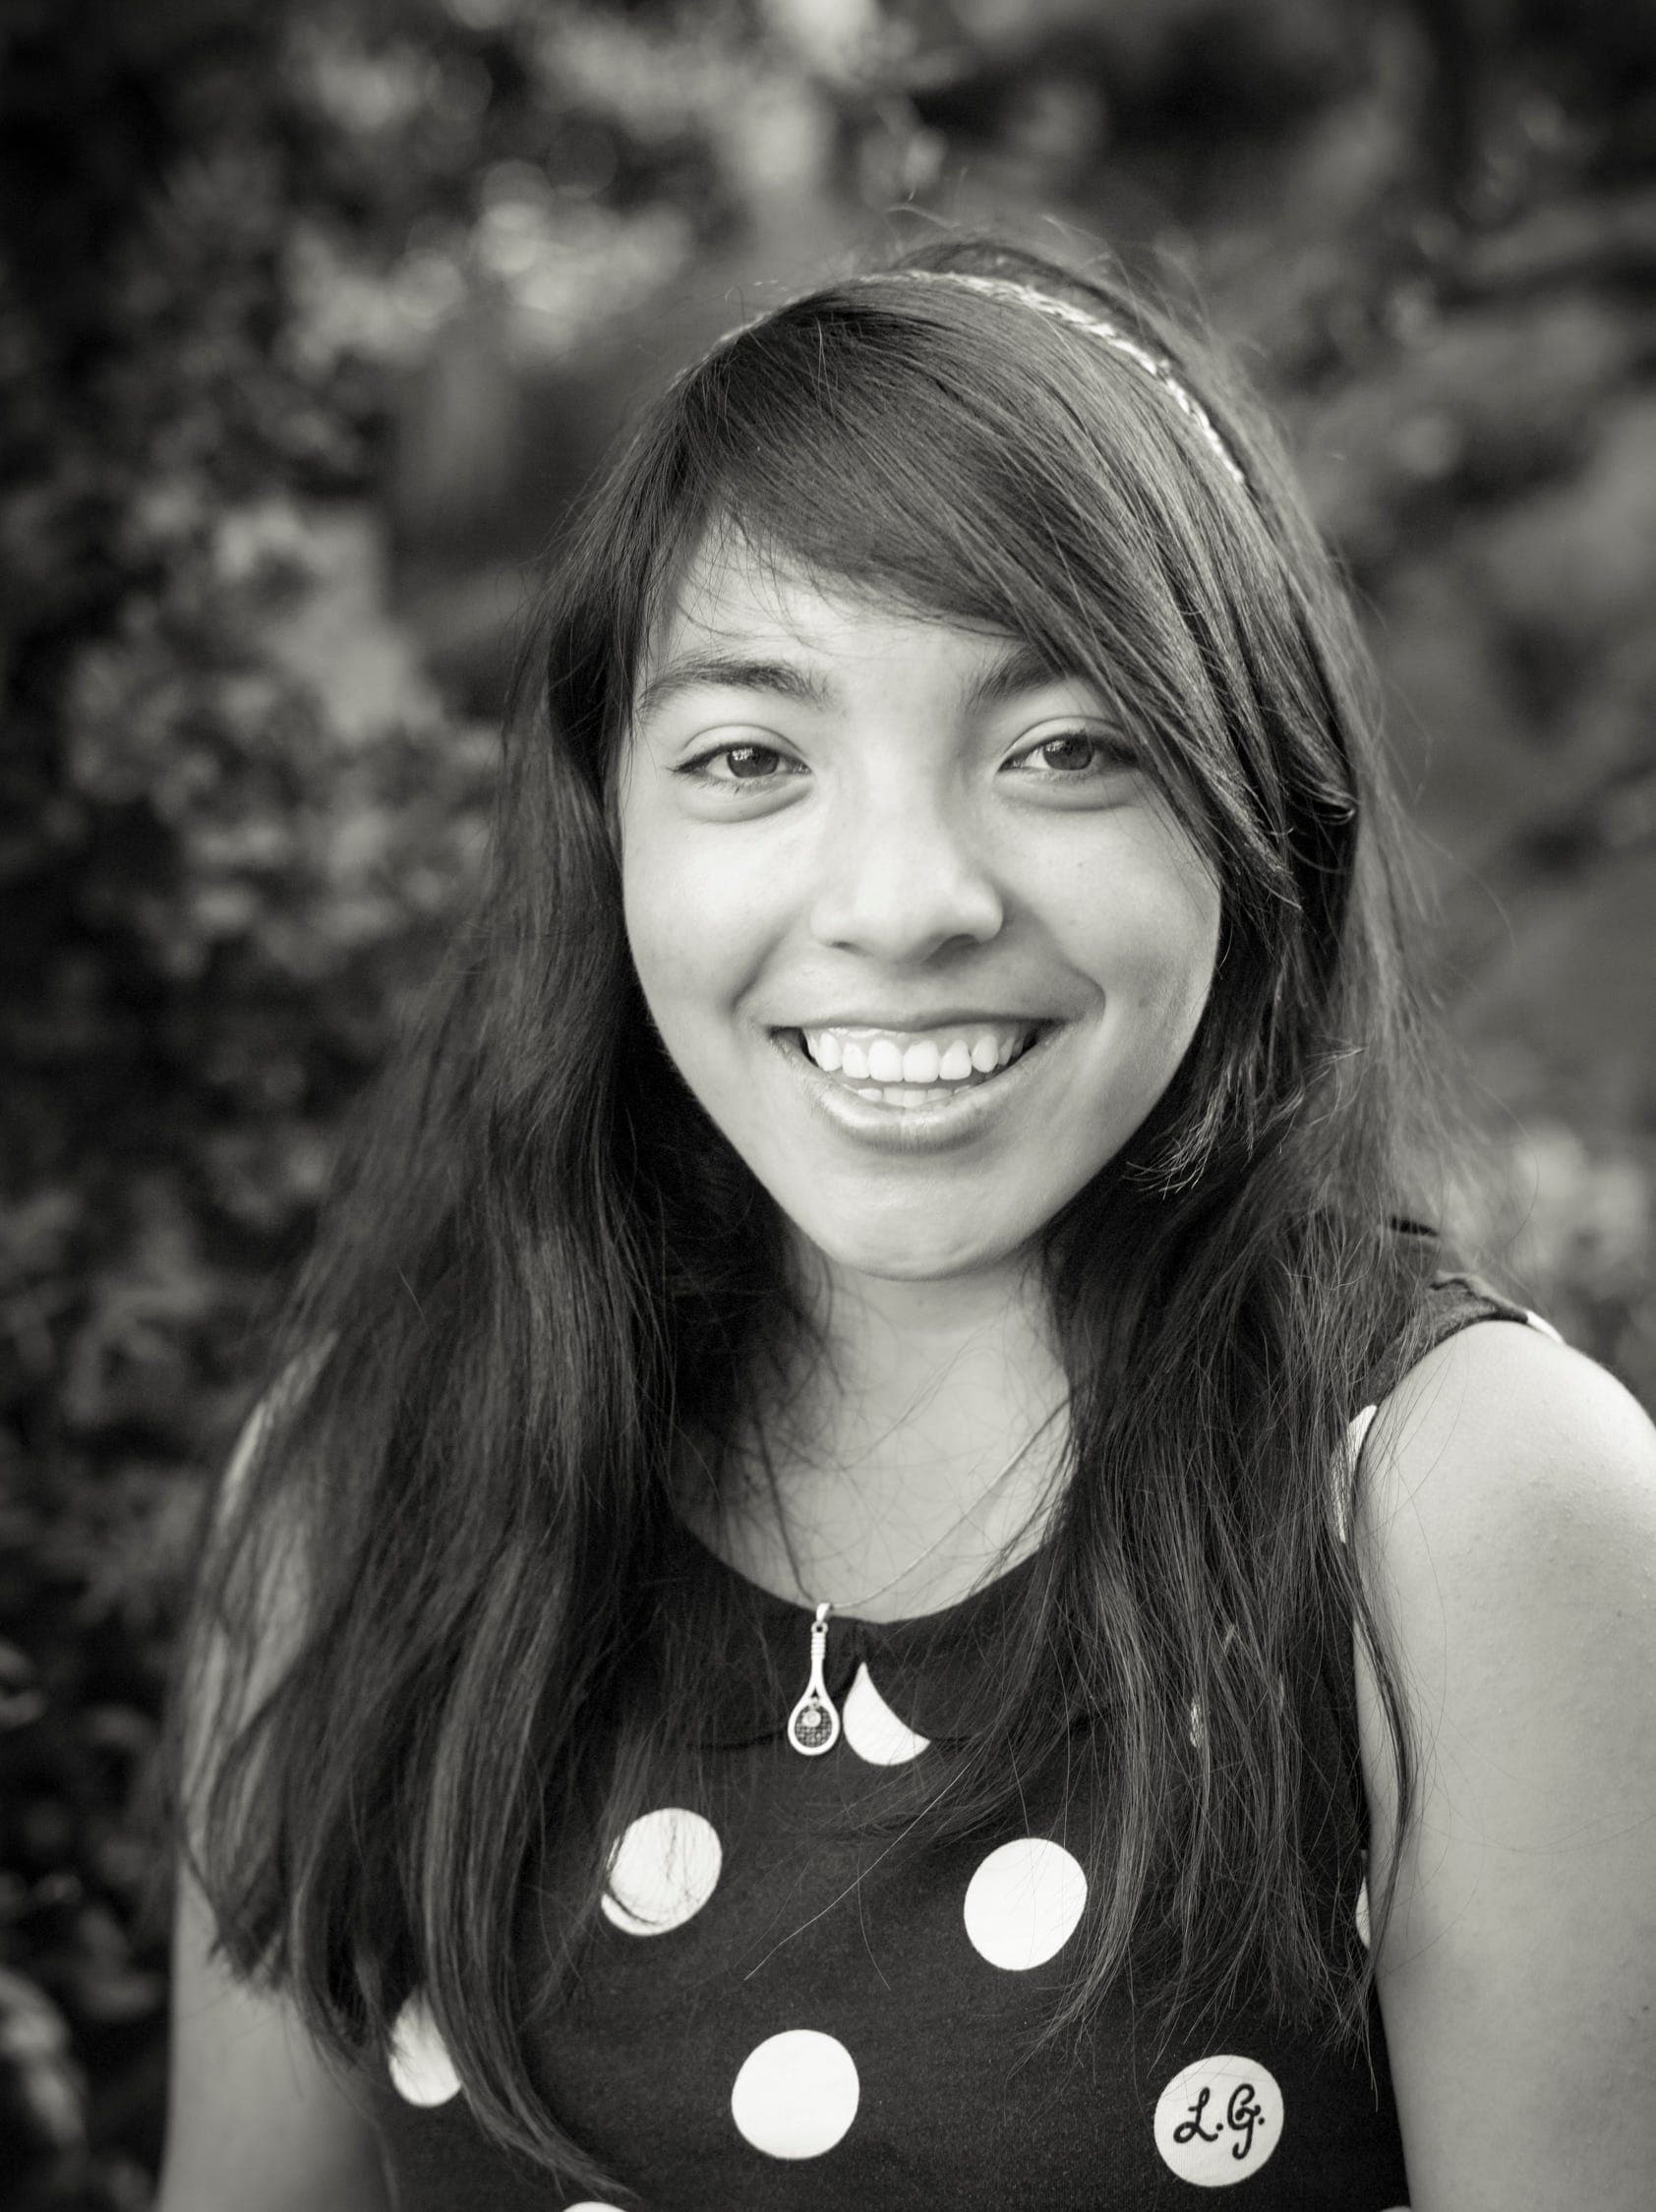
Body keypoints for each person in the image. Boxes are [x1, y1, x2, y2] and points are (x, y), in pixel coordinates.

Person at [155, 235, 1656, 2212]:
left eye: (1063, 749)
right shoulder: (361, 1481)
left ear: (1256, 816)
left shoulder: (1464, 1510)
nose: (904, 902)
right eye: (749, 757)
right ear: (609, 828)